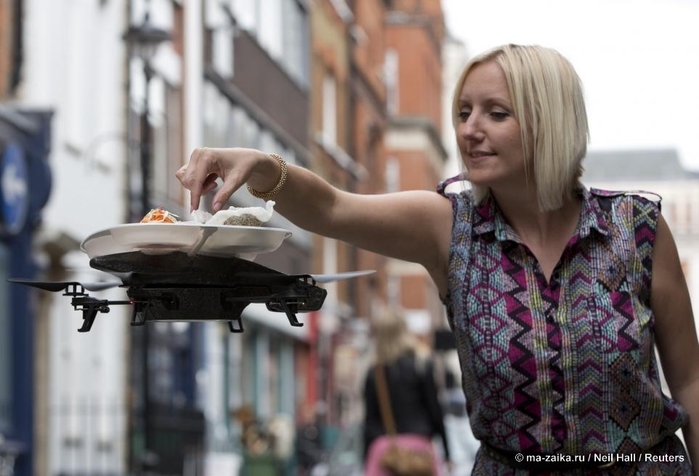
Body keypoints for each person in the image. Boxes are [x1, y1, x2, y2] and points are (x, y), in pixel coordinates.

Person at [176, 43, 699, 474]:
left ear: (550, 121)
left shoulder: (636, 229)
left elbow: (691, 383)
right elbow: (333, 207)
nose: (470, 129)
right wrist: (262, 167)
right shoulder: (449, 226)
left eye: (496, 113)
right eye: (463, 112)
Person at [362, 308, 451, 475]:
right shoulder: (421, 365)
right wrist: (447, 451)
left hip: (384, 451)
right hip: (419, 448)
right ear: (405, 331)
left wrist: (366, 457)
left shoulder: (374, 372)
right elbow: (435, 410)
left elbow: (369, 420)